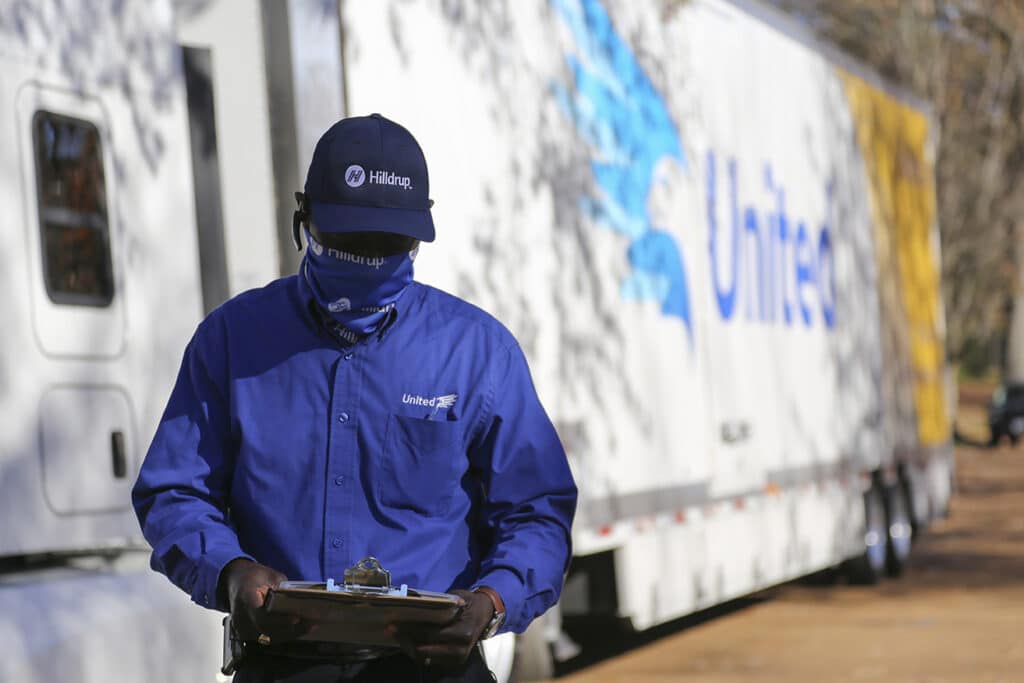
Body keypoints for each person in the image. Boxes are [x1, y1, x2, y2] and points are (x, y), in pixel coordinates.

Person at [132, 113, 578, 682]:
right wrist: (229, 571)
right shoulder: (232, 341)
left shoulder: (478, 353)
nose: (367, 260)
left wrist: (491, 602)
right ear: (304, 217)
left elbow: (537, 509)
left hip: (431, 668)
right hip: (282, 666)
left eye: (386, 245)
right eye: (348, 241)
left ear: (421, 234)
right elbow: (174, 489)